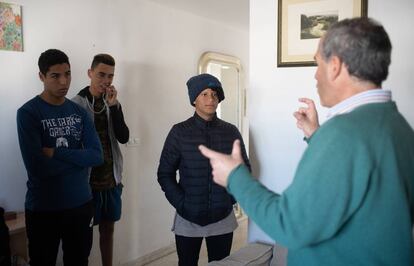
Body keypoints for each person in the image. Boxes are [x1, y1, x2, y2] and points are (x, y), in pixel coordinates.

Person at [199, 17, 414, 266]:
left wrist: (235, 176)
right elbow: (365, 187)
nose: (315, 75)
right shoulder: (399, 127)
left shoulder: (343, 134)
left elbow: (290, 225)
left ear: (334, 66)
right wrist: (317, 135)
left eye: (317, 63)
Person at [17, 49, 103, 266]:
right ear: (41, 76)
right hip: (43, 208)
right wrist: (79, 161)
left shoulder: (80, 112)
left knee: (78, 261)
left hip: (81, 204)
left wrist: (56, 152)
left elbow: (96, 156)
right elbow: (37, 167)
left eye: (68, 73)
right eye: (55, 76)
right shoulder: (28, 113)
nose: (64, 81)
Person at [157, 73, 251, 266]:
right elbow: (164, 174)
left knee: (220, 264)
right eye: (204, 94)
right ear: (194, 99)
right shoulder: (179, 132)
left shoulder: (230, 131)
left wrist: (229, 199)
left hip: (222, 218)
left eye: (215, 94)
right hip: (187, 217)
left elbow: (244, 171)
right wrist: (182, 203)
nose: (211, 99)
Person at [72, 54, 129, 266]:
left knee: (108, 230)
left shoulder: (113, 103)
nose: (106, 80)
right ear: (90, 73)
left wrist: (114, 107)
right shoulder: (76, 104)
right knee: (82, 238)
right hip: (86, 183)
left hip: (111, 179)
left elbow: (123, 137)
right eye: (101, 74)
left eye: (111, 76)